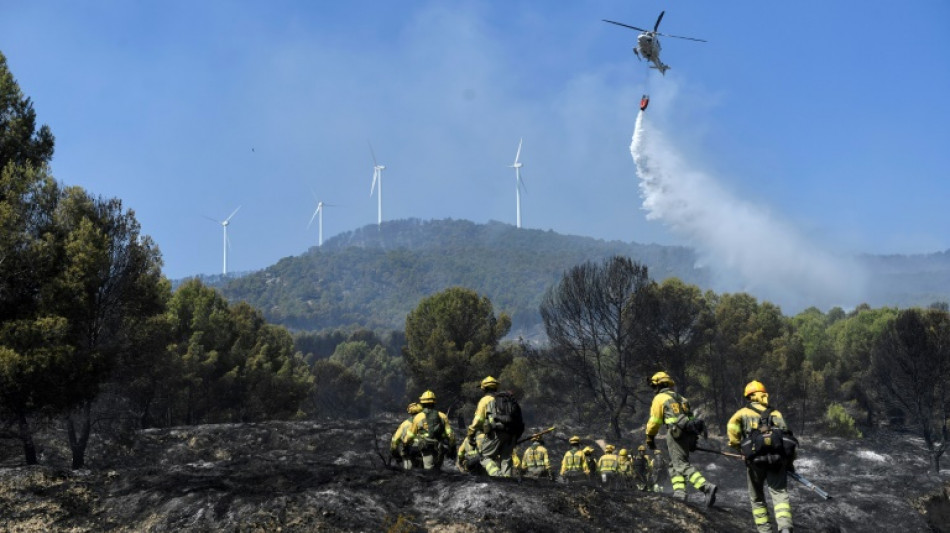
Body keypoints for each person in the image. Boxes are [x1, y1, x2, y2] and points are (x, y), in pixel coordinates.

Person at [728, 381, 796, 533]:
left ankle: (765, 531)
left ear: (749, 397)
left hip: (755, 463)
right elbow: (788, 440)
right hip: (777, 461)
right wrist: (790, 463)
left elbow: (732, 432)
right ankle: (785, 527)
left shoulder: (741, 413)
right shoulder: (776, 414)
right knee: (779, 494)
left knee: (757, 498)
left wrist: (740, 449)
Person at [645, 371, 717, 506]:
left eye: (654, 386)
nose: (653, 390)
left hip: (675, 434)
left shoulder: (660, 398)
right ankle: (680, 492)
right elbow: (691, 421)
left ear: (659, 385)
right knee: (674, 464)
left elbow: (654, 421)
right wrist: (692, 441)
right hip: (687, 435)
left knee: (681, 464)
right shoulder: (682, 399)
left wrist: (650, 437)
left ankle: (706, 487)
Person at [467, 376, 521, 477]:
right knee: (506, 457)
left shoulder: (485, 400)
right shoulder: (505, 399)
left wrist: (470, 433)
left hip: (496, 433)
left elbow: (478, 420)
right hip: (511, 432)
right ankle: (507, 480)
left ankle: (498, 476)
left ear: (484, 388)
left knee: (483, 457)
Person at [404, 390, 455, 470]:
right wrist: (451, 446)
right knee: (438, 469)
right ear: (434, 402)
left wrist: (405, 443)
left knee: (429, 470)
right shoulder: (442, 416)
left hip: (426, 447)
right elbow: (450, 434)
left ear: (422, 403)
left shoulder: (418, 417)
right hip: (440, 446)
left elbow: (411, 435)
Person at [391, 402, 423, 470]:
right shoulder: (427, 422)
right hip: (424, 450)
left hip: (409, 452)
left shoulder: (404, 424)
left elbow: (395, 440)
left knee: (409, 472)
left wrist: (395, 454)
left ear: (409, 412)